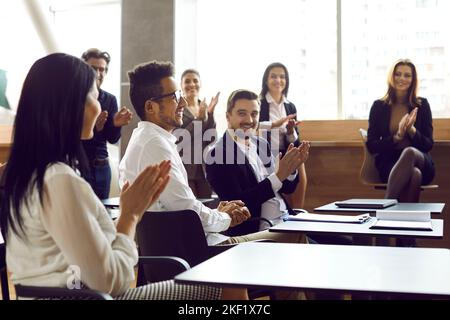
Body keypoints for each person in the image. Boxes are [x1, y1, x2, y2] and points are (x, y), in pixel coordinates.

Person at [0, 53, 242, 300]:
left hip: (72, 294)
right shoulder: (58, 180)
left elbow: (90, 252)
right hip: (90, 296)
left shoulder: (31, 174)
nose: (100, 107)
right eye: (94, 96)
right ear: (71, 105)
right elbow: (110, 282)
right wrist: (130, 215)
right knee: (229, 287)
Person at [119, 61, 306, 247]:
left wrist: (218, 213)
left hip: (201, 241)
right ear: (151, 107)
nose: (183, 102)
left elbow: (183, 205)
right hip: (202, 251)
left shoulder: (151, 140)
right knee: (296, 237)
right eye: (175, 96)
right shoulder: (155, 145)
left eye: (254, 114)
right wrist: (224, 217)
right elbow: (187, 211)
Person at [205, 89, 310, 236]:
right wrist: (278, 177)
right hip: (259, 232)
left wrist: (291, 168)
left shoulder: (261, 144)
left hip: (288, 221)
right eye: (242, 113)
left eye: (254, 114)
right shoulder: (217, 154)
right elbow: (239, 204)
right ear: (228, 116)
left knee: (340, 240)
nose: (249, 120)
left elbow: (287, 188)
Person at [367, 59, 435, 203]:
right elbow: (372, 145)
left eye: (407, 75)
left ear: (413, 79)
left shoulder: (422, 105)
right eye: (398, 74)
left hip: (421, 161)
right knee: (414, 174)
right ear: (392, 77)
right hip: (390, 164)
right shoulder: (379, 106)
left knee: (409, 152)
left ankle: (385, 207)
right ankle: (408, 223)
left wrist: (412, 130)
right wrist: (397, 137)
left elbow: (428, 144)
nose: (402, 78)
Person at [81, 48, 133, 200]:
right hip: (81, 166)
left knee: (103, 211)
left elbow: (113, 139)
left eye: (102, 69)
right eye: (93, 68)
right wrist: (92, 127)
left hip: (102, 168)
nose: (98, 73)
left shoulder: (109, 99)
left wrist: (116, 125)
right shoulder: (74, 98)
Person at [259, 62, 307, 209]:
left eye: (282, 77)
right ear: (266, 80)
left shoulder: (290, 106)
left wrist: (291, 131)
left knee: (301, 172)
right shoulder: (260, 104)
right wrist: (274, 124)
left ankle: (298, 211)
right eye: (273, 76)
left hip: (286, 149)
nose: (278, 80)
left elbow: (294, 139)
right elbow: (254, 126)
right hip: (265, 152)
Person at [175, 69, 219, 198]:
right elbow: (179, 138)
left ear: (200, 84)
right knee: (192, 210)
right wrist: (199, 119)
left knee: (208, 206)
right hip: (185, 168)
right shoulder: (178, 108)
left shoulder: (204, 106)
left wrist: (210, 114)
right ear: (181, 86)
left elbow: (211, 138)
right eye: (187, 81)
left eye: (195, 81)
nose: (192, 84)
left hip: (204, 168)